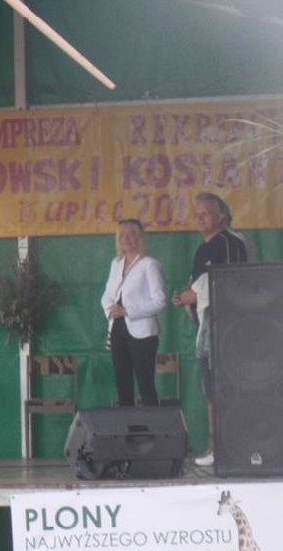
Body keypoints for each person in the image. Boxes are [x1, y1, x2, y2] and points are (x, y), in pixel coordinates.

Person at [172, 192, 248, 467]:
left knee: (225, 388)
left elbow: (232, 282)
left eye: (205, 213)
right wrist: (185, 298)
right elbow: (198, 285)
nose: (200, 218)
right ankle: (216, 447)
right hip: (205, 327)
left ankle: (228, 447)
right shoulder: (202, 248)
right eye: (197, 214)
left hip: (225, 328)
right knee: (211, 388)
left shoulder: (230, 242)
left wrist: (195, 295)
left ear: (221, 216)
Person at [101, 219, 166, 407]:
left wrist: (127, 311)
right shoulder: (116, 263)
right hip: (117, 327)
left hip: (142, 331)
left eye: (131, 235)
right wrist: (110, 310)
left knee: (145, 384)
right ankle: (126, 423)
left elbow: (159, 301)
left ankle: (151, 424)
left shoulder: (149, 264)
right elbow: (107, 294)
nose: (126, 239)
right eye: (122, 235)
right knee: (123, 384)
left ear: (139, 238)